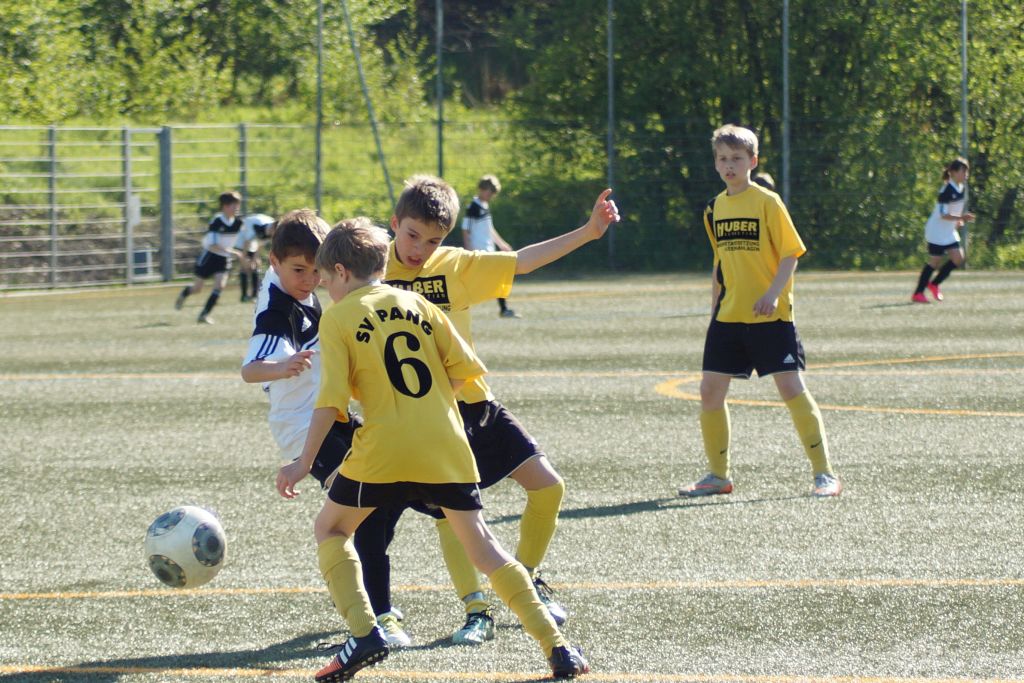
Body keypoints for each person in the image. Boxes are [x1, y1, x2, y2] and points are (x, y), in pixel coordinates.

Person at [275, 218, 589, 682]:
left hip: (383, 447)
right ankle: (558, 648)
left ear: (340, 271)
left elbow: (331, 405)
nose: (325, 288)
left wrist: (303, 463)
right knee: (485, 548)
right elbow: (464, 371)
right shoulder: (419, 303)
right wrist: (430, 407)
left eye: (325, 279)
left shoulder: (338, 317)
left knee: (331, 528)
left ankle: (364, 634)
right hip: (446, 441)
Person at [382, 175, 619, 643]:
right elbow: (328, 272)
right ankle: (476, 611)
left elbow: (522, 260)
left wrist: (589, 232)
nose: (420, 249)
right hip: (426, 416)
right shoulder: (373, 267)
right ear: (394, 223)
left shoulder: (455, 264)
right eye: (412, 235)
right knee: (451, 513)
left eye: (433, 241)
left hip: (476, 400)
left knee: (548, 485)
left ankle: (523, 579)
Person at [239, 209, 475, 649]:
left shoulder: (299, 287)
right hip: (303, 426)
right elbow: (250, 370)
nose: (310, 280)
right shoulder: (277, 309)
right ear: (273, 263)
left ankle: (360, 588)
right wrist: (282, 367)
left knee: (386, 498)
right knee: (365, 506)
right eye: (299, 271)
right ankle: (378, 615)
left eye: (317, 271)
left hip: (335, 418)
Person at [677, 124, 841, 499]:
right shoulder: (714, 208)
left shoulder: (768, 202)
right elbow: (719, 264)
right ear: (715, 163)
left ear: (753, 161)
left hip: (771, 316)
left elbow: (791, 254)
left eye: (737, 158)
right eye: (722, 158)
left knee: (791, 389)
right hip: (728, 316)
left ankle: (825, 474)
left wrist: (772, 294)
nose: (729, 165)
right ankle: (718, 476)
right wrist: (713, 311)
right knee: (709, 392)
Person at [911, 157, 975, 303]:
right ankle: (918, 293)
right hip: (936, 231)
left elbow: (953, 210)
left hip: (948, 231)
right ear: (953, 172)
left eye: (967, 172)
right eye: (963, 172)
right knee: (934, 262)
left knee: (958, 258)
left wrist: (958, 221)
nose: (966, 175)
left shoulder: (961, 188)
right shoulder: (946, 190)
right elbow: (943, 214)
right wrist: (962, 217)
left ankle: (934, 284)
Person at [175, 190, 244, 323]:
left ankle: (204, 315)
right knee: (197, 289)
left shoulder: (239, 223)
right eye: (234, 205)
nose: (237, 207)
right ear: (225, 206)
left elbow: (245, 238)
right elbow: (212, 246)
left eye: (238, 204)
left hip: (224, 259)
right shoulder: (217, 221)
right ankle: (184, 293)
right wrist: (233, 252)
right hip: (210, 257)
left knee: (220, 286)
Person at [462, 174, 519, 318]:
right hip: (479, 251)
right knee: (483, 280)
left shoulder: (485, 206)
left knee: (497, 278)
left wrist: (502, 244)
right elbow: (465, 229)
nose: (491, 195)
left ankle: (504, 309)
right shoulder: (473, 207)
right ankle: (459, 306)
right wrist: (469, 250)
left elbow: (490, 229)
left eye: (493, 193)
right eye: (490, 192)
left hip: (488, 249)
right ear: (482, 189)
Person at [236, 213, 275, 303]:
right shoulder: (255, 226)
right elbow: (246, 242)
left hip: (252, 242)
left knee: (255, 266)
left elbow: (260, 244)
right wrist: (244, 258)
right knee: (245, 267)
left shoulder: (273, 230)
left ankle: (254, 295)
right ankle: (244, 296)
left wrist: (255, 258)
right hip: (241, 239)